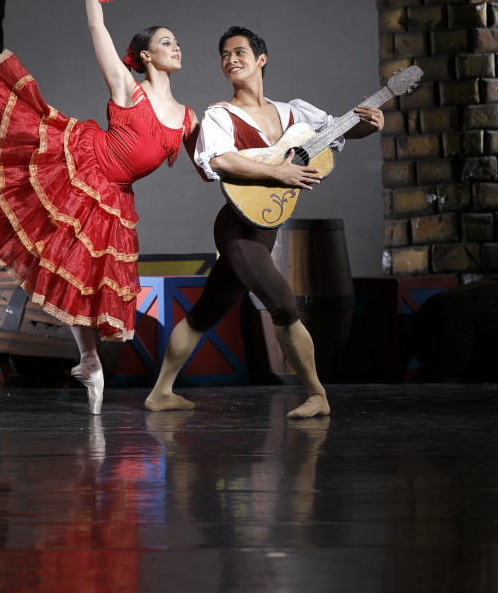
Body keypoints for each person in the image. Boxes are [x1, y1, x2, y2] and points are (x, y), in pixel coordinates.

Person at [0, 0, 199, 415]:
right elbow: (97, 25)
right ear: (145, 55)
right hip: (82, 162)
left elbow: (213, 163)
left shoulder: (187, 117)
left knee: (84, 274)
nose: (176, 46)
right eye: (165, 41)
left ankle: (89, 361)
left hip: (116, 196)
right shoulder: (127, 86)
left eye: (176, 41)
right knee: (17, 111)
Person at [145, 25, 384, 419]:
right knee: (284, 304)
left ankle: (160, 393)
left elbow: (338, 131)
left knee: (204, 313)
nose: (230, 59)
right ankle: (317, 395)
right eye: (224, 55)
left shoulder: (294, 113)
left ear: (261, 59)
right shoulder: (220, 115)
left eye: (239, 52)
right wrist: (279, 173)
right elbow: (220, 160)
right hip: (237, 227)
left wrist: (368, 124)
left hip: (266, 226)